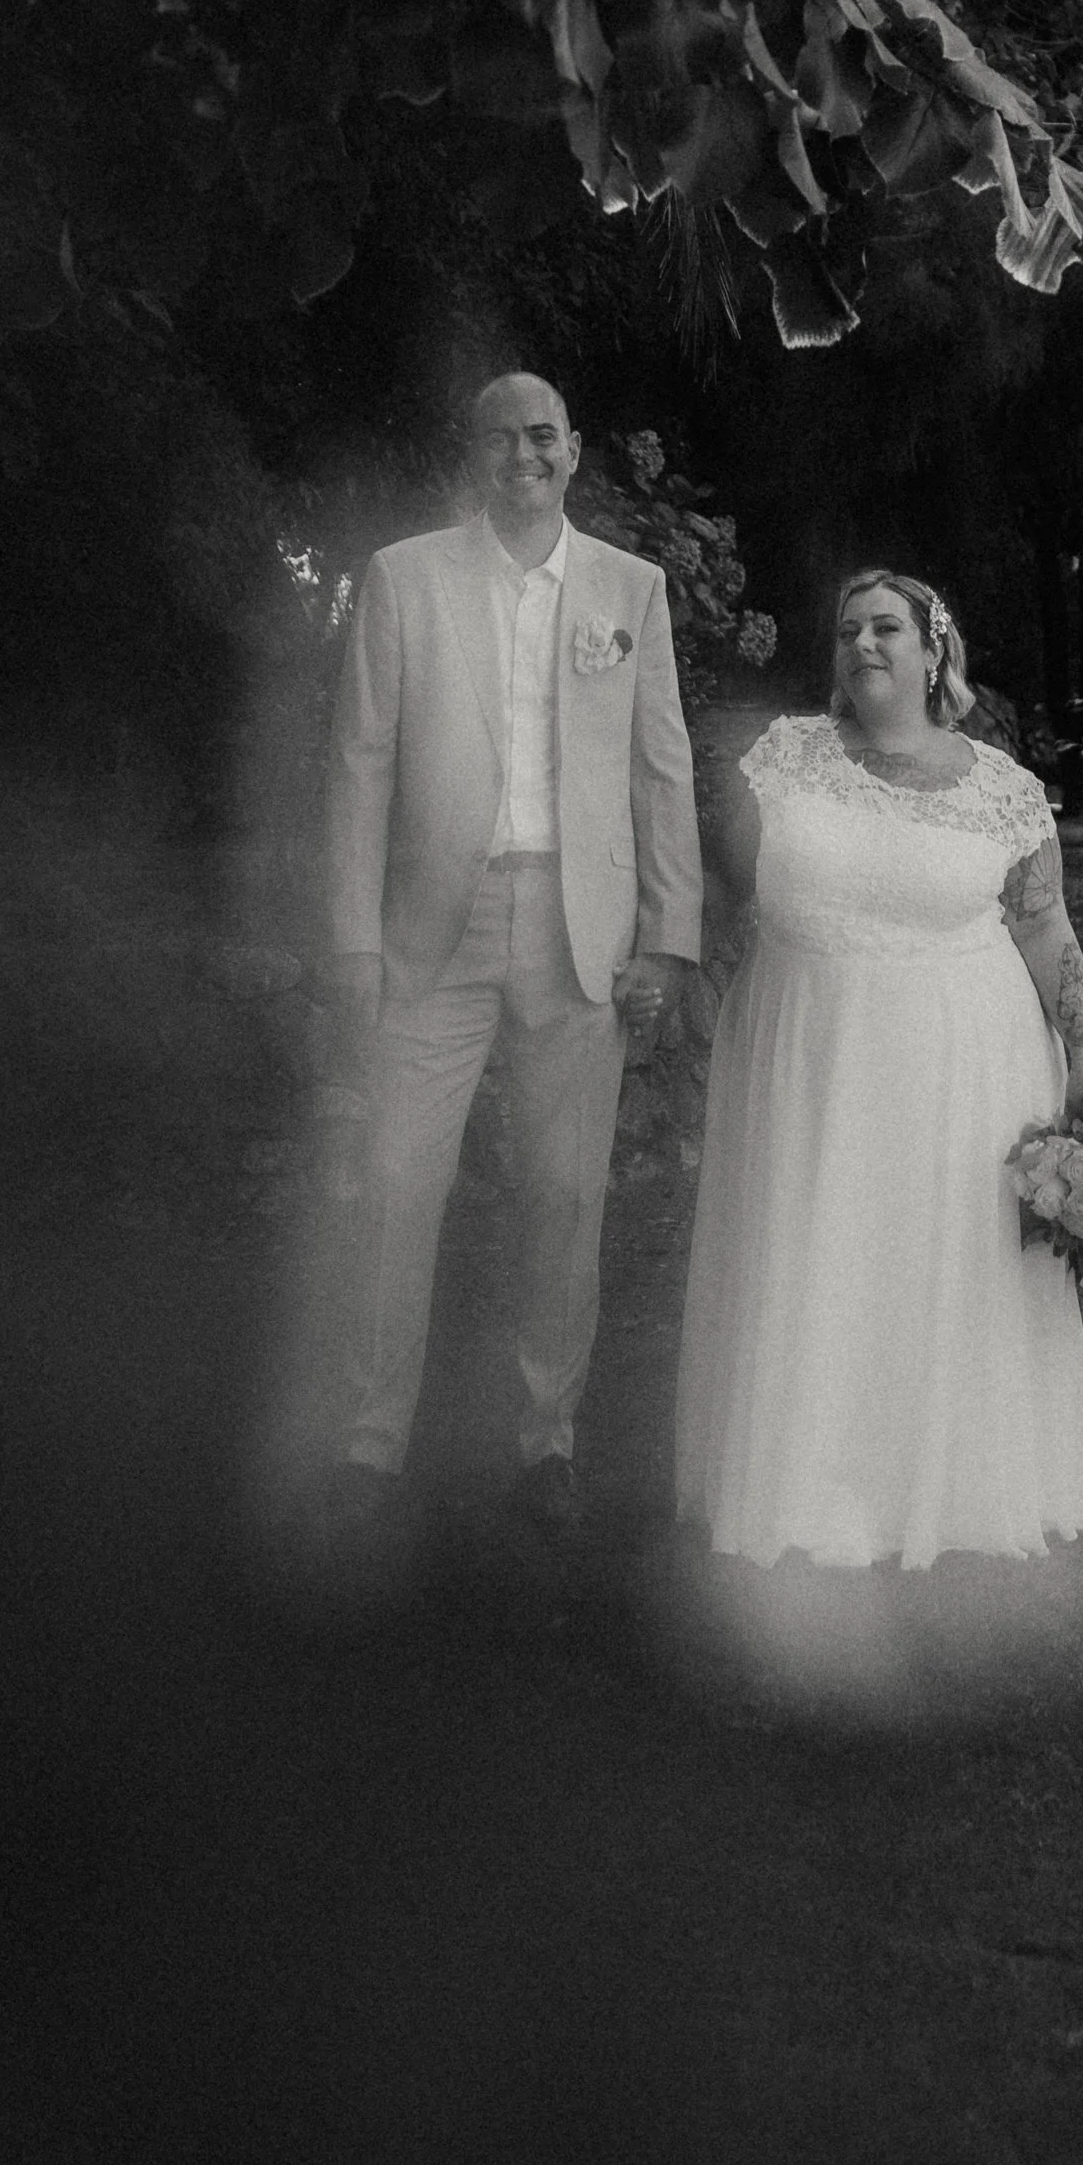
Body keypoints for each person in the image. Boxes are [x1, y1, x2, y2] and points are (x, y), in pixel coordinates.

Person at [319, 372, 702, 1536]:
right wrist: (349, 938)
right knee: (397, 1184)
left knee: (563, 1192)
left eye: (543, 437)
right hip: (436, 926)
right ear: (473, 455)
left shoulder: (631, 589)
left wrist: (669, 940)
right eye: (501, 439)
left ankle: (548, 1441)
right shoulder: (404, 576)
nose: (524, 456)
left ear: (574, 450)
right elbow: (358, 766)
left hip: (580, 933)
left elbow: (661, 768)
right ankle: (369, 1443)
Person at [674, 569, 1083, 1570]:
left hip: (961, 1066)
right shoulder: (782, 762)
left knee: (937, 1267)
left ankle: (944, 1492)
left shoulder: (1001, 787)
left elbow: (1045, 926)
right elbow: (715, 889)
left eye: (886, 628)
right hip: (808, 1054)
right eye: (846, 631)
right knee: (813, 1253)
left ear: (933, 651)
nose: (863, 644)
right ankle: (806, 1489)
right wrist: (671, 979)